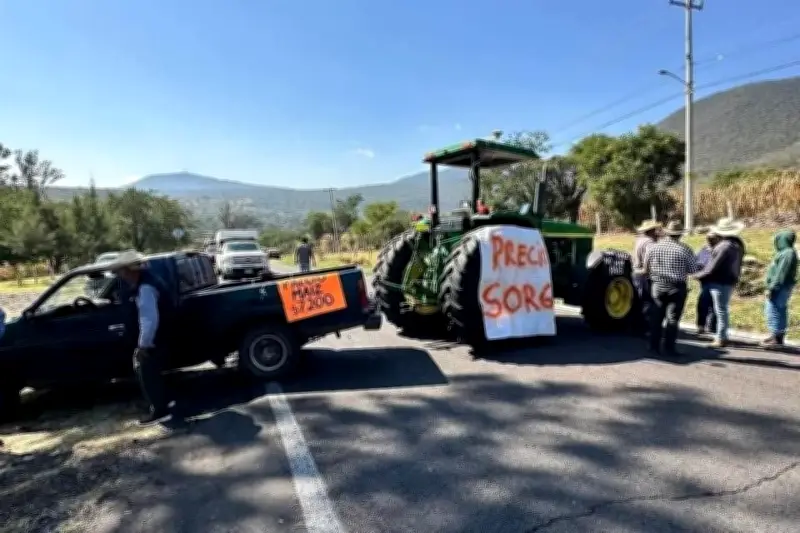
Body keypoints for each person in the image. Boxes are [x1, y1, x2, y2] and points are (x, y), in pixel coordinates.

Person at [111, 250, 173, 425]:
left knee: (147, 371)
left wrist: (143, 345)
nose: (120, 275)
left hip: (155, 338)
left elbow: (149, 318)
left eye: (121, 270)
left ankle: (160, 410)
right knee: (153, 372)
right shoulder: (146, 281)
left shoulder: (146, 287)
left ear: (130, 270)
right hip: (162, 335)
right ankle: (163, 403)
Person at [638, 221, 698, 356]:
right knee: (672, 319)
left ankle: (653, 346)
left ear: (667, 233)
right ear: (680, 235)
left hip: (657, 285)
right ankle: (669, 348)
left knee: (656, 317)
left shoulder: (654, 248)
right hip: (676, 287)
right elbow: (693, 270)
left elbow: (646, 269)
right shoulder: (685, 249)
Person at [693, 217, 745, 348]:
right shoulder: (738, 245)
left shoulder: (723, 246)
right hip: (729, 280)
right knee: (723, 309)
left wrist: (697, 275)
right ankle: (722, 335)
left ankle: (721, 337)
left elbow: (712, 267)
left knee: (720, 310)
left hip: (719, 281)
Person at [761, 229, 798, 347]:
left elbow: (780, 273)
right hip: (783, 285)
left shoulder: (787, 253)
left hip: (780, 286)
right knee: (778, 309)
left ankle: (777, 337)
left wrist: (772, 287)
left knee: (774, 309)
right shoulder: (787, 252)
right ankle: (776, 335)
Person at [632, 220, 662, 334]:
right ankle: (644, 327)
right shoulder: (650, 243)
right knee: (647, 301)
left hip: (636, 272)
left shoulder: (639, 240)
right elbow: (650, 259)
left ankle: (635, 326)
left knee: (638, 299)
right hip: (645, 274)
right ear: (652, 231)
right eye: (656, 230)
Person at [695, 232, 719, 336]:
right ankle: (702, 325)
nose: (710, 240)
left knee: (714, 305)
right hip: (705, 281)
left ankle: (712, 326)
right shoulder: (703, 250)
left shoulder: (719, 250)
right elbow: (697, 264)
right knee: (704, 303)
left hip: (716, 281)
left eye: (712, 238)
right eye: (709, 238)